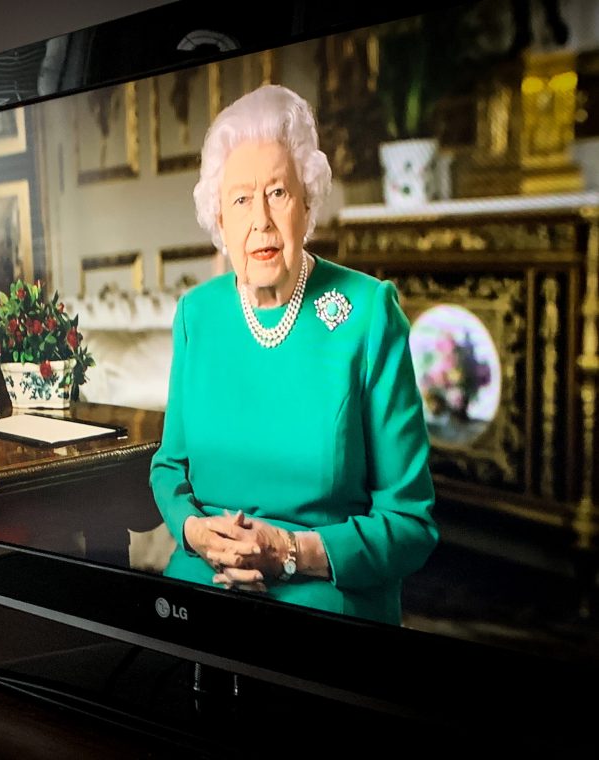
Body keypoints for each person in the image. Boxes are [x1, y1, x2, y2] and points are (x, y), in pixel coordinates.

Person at [149, 85, 439, 625]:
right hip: (202, 590)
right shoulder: (197, 315)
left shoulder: (369, 313)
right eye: (240, 200)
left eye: (277, 192)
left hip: (325, 605)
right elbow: (170, 467)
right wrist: (195, 531)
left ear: (307, 201)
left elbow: (410, 524)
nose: (260, 219)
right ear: (220, 221)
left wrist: (287, 552)